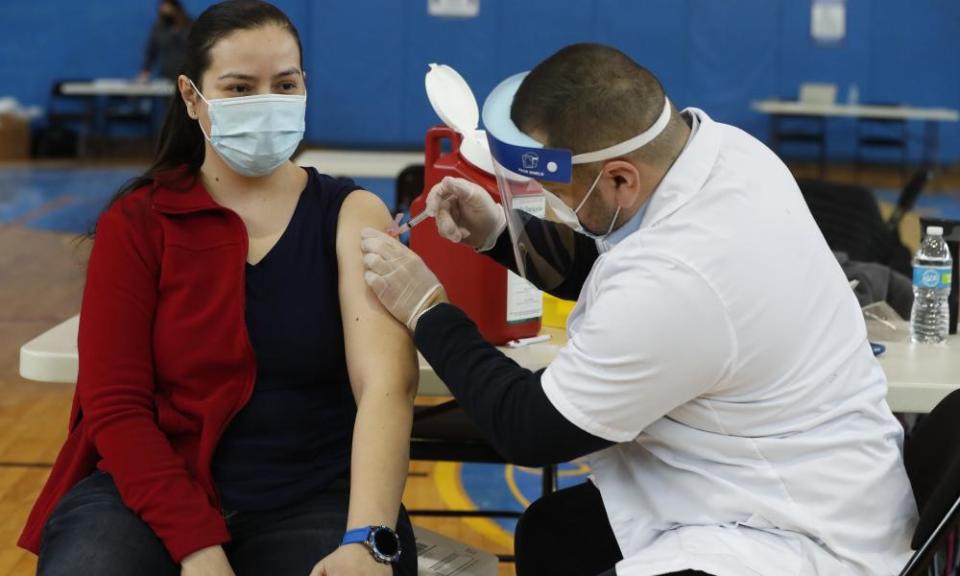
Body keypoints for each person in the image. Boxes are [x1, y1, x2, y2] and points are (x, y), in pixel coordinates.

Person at [360, 43, 917, 576]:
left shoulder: (682, 275)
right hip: (795, 470)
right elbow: (610, 265)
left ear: (622, 177)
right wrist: (501, 232)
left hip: (790, 530)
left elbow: (529, 429)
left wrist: (426, 308)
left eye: (554, 185)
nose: (544, 197)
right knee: (550, 533)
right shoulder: (721, 153)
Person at [19, 2, 418, 575]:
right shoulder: (138, 221)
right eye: (239, 87)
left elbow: (385, 385)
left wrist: (368, 536)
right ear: (190, 96)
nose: (266, 103)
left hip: (311, 495)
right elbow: (115, 406)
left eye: (284, 84)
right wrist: (197, 545)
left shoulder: (352, 213)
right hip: (151, 492)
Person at [139, 0, 192, 82]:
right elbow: (151, 52)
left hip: (188, 75)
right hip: (166, 76)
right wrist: (145, 71)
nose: (164, 9)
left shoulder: (191, 26)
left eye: (167, 6)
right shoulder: (159, 29)